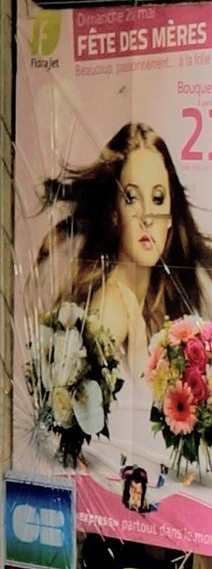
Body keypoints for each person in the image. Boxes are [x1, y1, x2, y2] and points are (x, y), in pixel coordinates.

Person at [36, 121, 212, 473]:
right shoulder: (110, 308)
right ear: (115, 214)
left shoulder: (154, 297)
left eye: (157, 198)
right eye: (132, 197)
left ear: (171, 214)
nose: (147, 215)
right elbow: (67, 432)